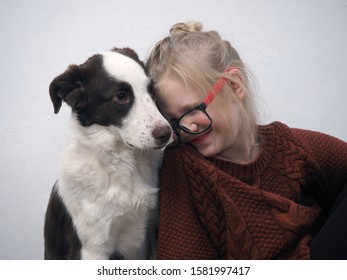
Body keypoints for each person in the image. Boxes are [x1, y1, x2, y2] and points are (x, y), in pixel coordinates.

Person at [145, 21, 347, 260]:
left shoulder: (290, 146)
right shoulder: (185, 164)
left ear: (233, 86)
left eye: (192, 110)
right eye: (173, 120)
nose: (186, 127)